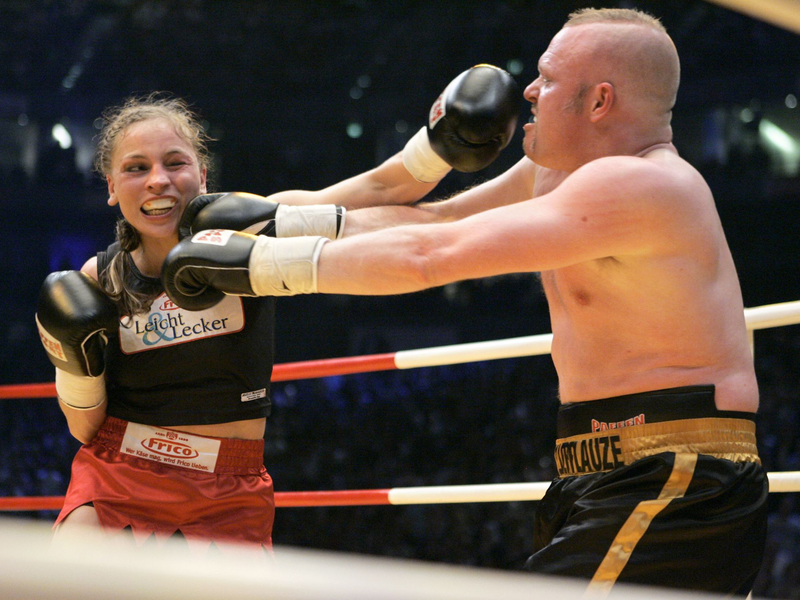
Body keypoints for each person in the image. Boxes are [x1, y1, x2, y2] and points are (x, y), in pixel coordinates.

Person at [161, 8, 768, 595]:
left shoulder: (644, 183)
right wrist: (279, 223)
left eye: (549, 78)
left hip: (678, 474)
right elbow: (433, 215)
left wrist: (261, 267)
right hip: (603, 466)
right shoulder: (557, 174)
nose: (528, 90)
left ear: (600, 101)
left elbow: (434, 252)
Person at [34, 67, 519, 554]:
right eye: (136, 168)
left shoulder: (251, 230)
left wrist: (439, 148)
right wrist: (74, 370)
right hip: (121, 472)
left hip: (228, 482)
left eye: (174, 162)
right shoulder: (99, 279)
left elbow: (374, 193)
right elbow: (84, 429)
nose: (158, 180)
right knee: (62, 574)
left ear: (203, 174)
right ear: (112, 186)